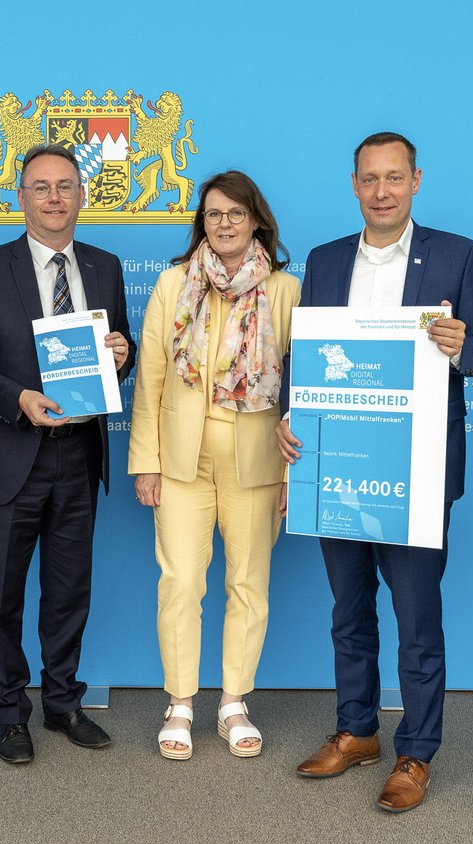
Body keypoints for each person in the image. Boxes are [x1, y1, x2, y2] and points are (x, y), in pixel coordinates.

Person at [278, 132, 473, 812]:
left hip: (417, 470)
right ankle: (355, 730)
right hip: (337, 465)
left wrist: (465, 346)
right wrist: (290, 415)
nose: (382, 190)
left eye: (394, 178)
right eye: (370, 179)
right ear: (354, 185)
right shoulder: (322, 261)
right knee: (348, 613)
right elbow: (305, 358)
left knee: (416, 619)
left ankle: (416, 752)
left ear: (416, 181)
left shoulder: (457, 255)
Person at [0, 143, 135, 764]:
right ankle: (10, 713)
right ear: (19, 197)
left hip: (79, 452)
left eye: (65, 186)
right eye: (40, 187)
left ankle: (63, 703)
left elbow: (120, 349)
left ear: (82, 195)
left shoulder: (105, 266)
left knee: (68, 588)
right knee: (2, 593)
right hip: (10, 450)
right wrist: (19, 397)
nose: (54, 198)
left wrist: (124, 355)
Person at [128, 171, 299, 760]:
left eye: (235, 213)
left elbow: (303, 388)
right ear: (201, 223)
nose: (223, 224)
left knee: (248, 584)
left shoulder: (284, 289)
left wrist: (294, 475)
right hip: (180, 462)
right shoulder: (174, 283)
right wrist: (145, 462)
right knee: (179, 581)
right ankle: (179, 702)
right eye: (212, 214)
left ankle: (232, 701)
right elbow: (150, 376)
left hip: (258, 464)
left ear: (257, 220)